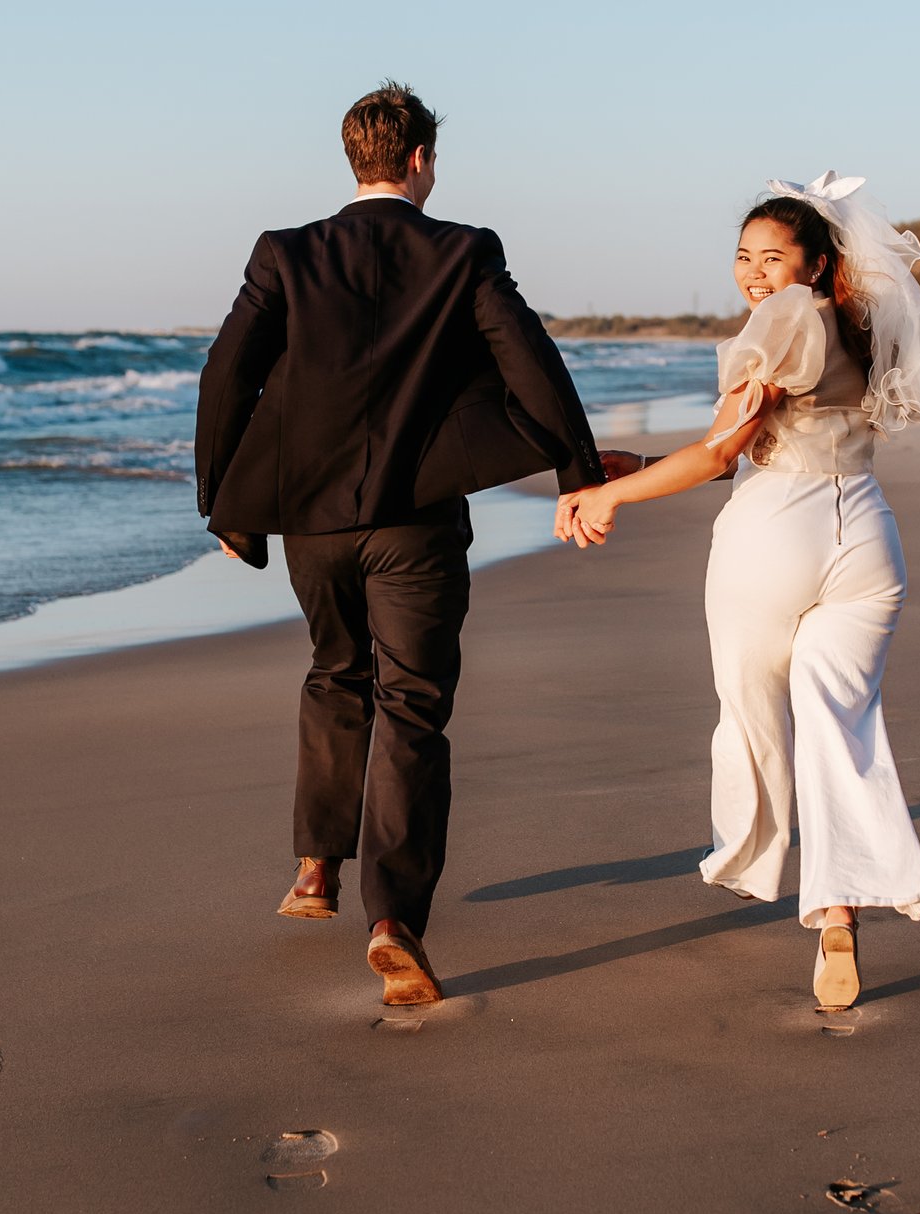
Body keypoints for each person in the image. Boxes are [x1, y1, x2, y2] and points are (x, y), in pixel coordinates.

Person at [196, 82, 620, 1006]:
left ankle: (314, 867)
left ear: (354, 159)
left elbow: (228, 372)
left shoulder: (286, 252)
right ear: (421, 159)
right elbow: (530, 360)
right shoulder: (465, 250)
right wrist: (576, 468)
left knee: (334, 671)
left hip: (310, 524)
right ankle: (394, 921)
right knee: (413, 707)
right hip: (414, 524)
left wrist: (226, 505)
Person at [555, 172, 920, 1009]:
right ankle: (838, 908)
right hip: (867, 539)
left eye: (772, 257)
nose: (753, 274)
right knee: (836, 720)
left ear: (815, 261)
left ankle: (755, 856)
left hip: (772, 535)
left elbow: (716, 456)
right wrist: (637, 465)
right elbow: (751, 440)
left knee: (752, 711)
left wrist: (607, 496)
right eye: (743, 256)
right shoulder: (858, 322)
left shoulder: (782, 318)